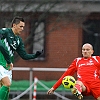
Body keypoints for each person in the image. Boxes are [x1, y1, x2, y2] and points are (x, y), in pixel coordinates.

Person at [0, 16, 43, 100]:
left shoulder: (18, 40)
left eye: (23, 26)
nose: (22, 28)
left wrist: (35, 55)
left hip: (8, 66)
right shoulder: (5, 32)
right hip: (1, 63)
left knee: (6, 89)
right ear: (14, 25)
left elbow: (24, 56)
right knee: (7, 84)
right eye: (21, 26)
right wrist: (8, 60)